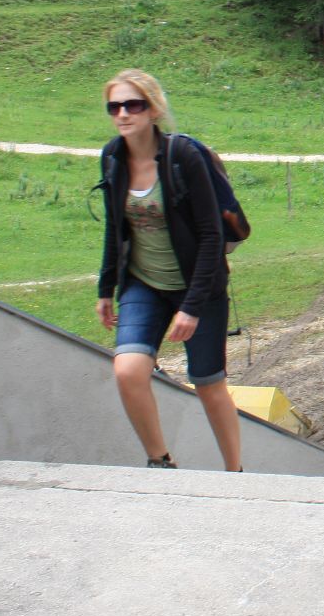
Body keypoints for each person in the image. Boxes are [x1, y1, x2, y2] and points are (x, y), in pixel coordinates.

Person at [95, 69, 242, 471]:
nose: (123, 114)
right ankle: (160, 462)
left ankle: (235, 473)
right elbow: (114, 227)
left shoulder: (183, 157)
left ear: (153, 109)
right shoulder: (112, 157)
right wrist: (105, 289)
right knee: (128, 370)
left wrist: (191, 308)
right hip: (143, 284)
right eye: (114, 107)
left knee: (208, 384)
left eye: (133, 105)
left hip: (199, 286)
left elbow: (211, 235)